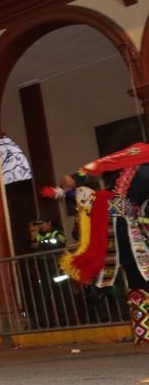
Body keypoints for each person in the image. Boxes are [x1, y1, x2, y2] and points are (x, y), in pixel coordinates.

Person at [57, 144, 149, 351]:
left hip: (129, 219)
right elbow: (108, 161)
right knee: (142, 274)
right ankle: (144, 337)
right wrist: (76, 177)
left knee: (141, 274)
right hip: (117, 218)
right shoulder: (143, 152)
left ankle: (144, 336)